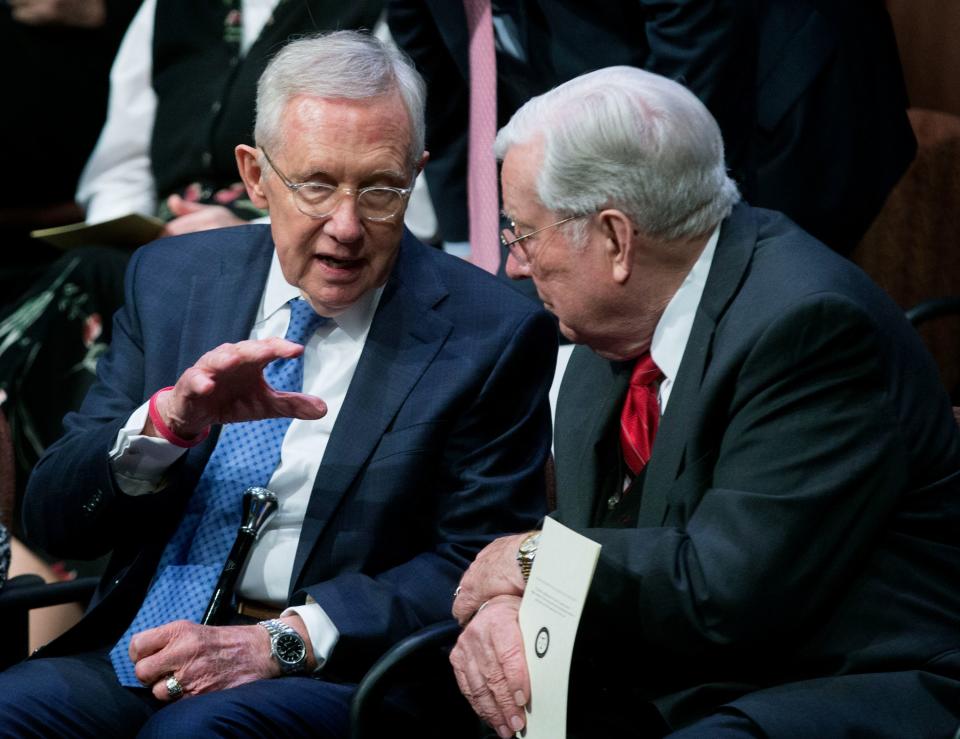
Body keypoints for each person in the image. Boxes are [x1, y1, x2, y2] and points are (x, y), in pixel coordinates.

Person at [0, 30, 556, 738]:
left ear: (416, 174)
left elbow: (474, 561)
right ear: (257, 175)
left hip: (334, 673)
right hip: (134, 646)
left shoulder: (489, 331)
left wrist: (285, 639)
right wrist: (168, 425)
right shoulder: (173, 280)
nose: (347, 226)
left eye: (381, 189)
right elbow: (53, 515)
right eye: (317, 185)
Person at [449, 66, 960, 738]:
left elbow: (726, 589)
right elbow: (611, 561)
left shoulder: (810, 328)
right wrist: (509, 608)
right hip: (682, 673)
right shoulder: (612, 326)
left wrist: (530, 559)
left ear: (615, 239)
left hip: (835, 683)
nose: (514, 264)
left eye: (524, 234)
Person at [388, 0, 914, 259]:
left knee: (744, 313)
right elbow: (448, 87)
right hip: (619, 85)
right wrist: (474, 246)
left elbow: (692, 54)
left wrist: (621, 236)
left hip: (777, 98)